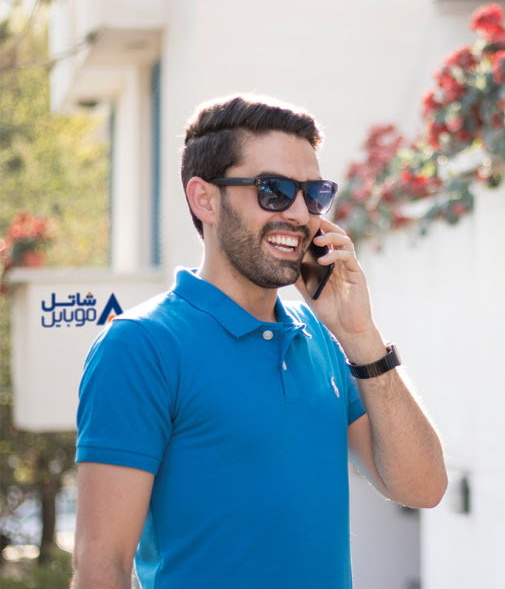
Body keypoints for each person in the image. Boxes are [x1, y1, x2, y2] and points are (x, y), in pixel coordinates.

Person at [71, 94, 448, 589]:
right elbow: (101, 566)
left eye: (313, 195)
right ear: (205, 199)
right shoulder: (140, 346)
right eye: (274, 190)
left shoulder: (324, 338)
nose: (300, 214)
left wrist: (361, 335)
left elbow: (423, 488)